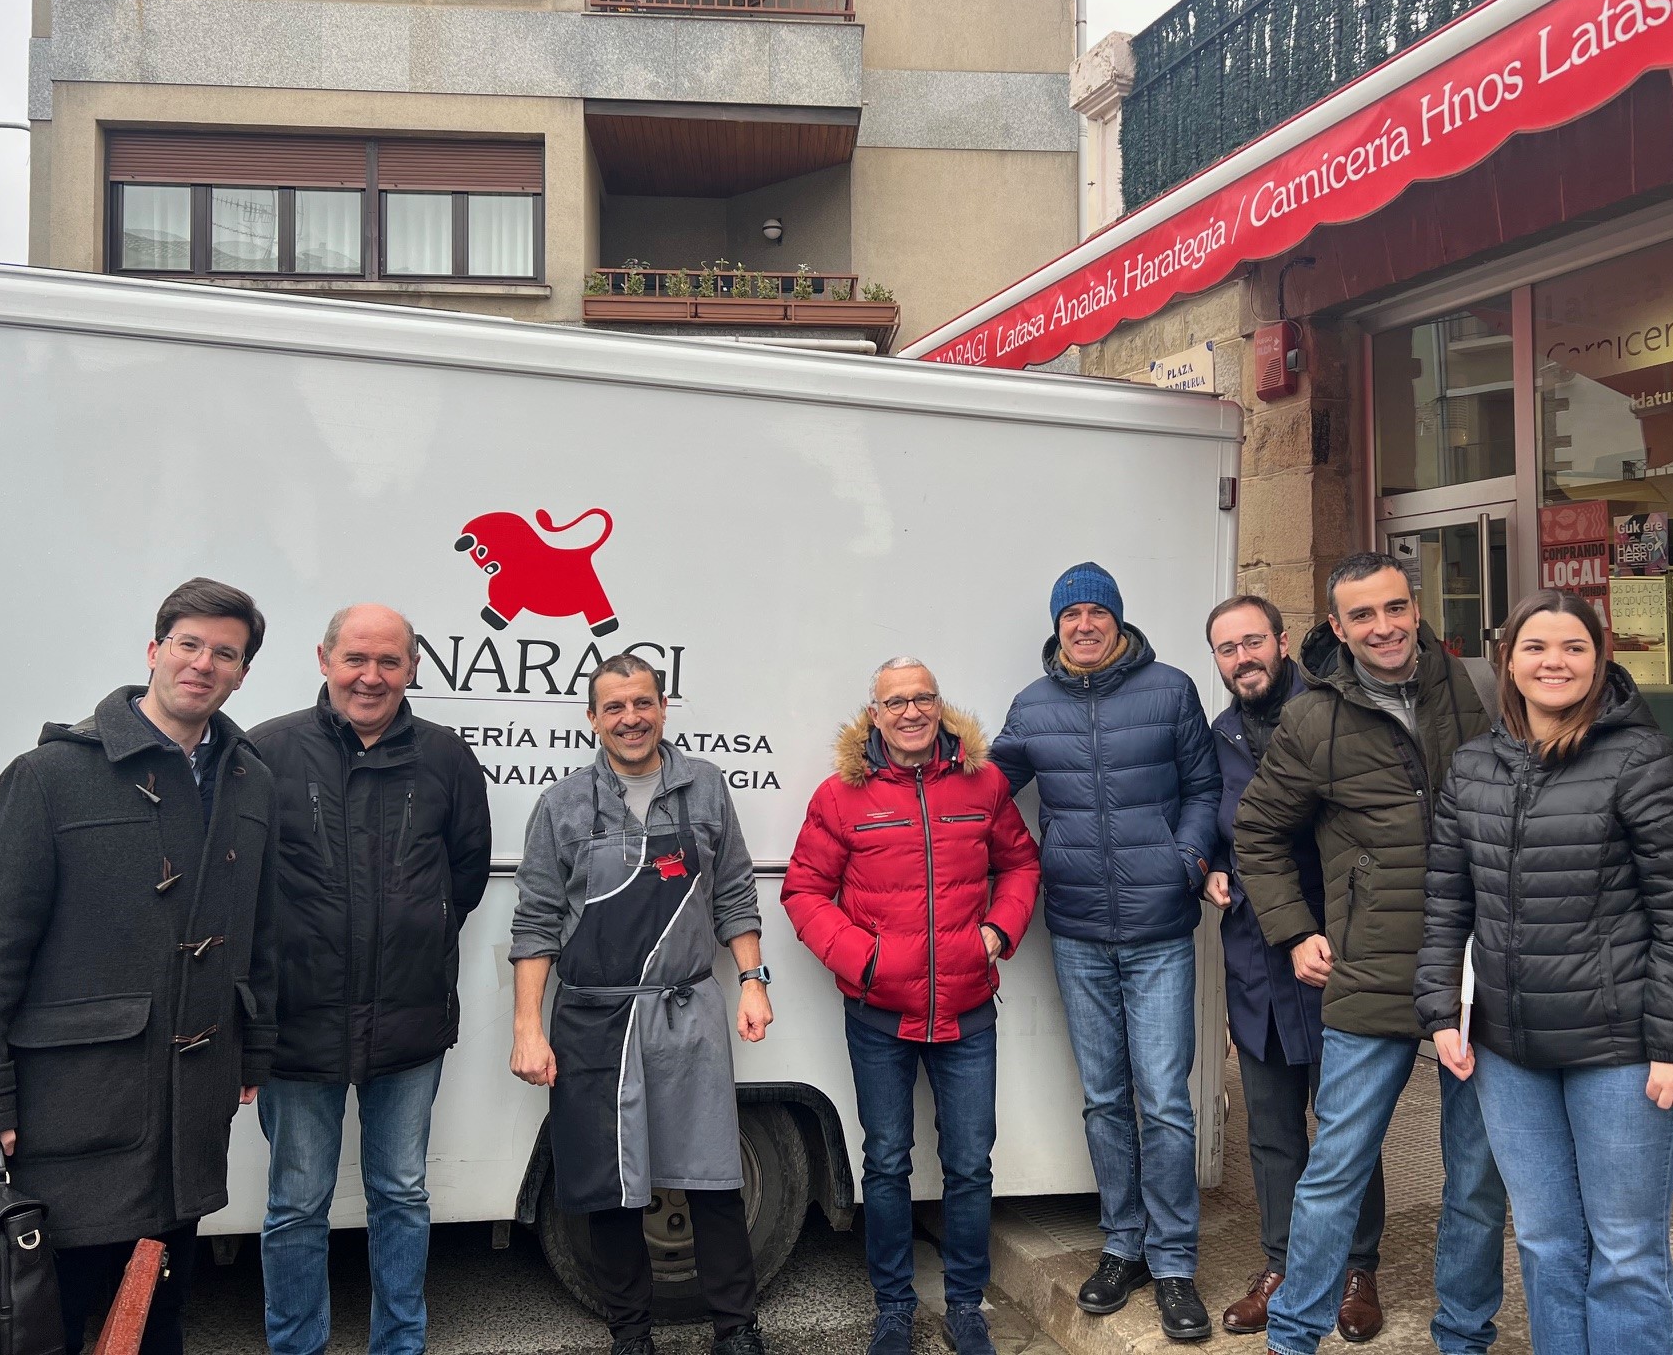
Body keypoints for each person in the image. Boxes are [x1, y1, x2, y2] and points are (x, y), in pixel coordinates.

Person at [0, 578, 279, 1355]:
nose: (203, 663)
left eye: (225, 653)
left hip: (190, 1106)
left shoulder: (251, 781)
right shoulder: (47, 776)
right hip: (74, 1106)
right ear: (154, 650)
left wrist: (253, 1049)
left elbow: (258, 932)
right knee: (47, 1323)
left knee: (155, 1315)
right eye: (189, 643)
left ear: (242, 674)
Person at [1416, 590, 1673, 1355]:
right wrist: (1442, 1012)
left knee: (1626, 1252)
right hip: (1509, 1052)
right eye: (1536, 647)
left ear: (1599, 660)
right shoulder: (1473, 767)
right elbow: (1447, 902)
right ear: (1508, 662)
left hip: (1622, 1052)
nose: (1554, 662)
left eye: (1574, 648)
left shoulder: (1640, 759)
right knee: (1546, 1242)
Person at [1234, 552, 1507, 1355]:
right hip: (1371, 965)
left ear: (1415, 608)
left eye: (1394, 608)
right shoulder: (1312, 720)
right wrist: (1294, 929)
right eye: (1362, 615)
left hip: (1477, 969)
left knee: (1478, 1178)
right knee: (1336, 1169)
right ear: (1336, 626)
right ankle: (1294, 1338)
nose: (1383, 627)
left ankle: (1464, 1336)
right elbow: (1257, 832)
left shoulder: (1482, 691)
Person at [509, 654, 773, 1355]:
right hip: (595, 1019)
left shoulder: (705, 788)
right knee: (610, 1183)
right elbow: (535, 921)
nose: (631, 718)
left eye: (642, 703)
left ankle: (736, 1328)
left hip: (686, 1009)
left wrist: (753, 980)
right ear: (593, 719)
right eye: (614, 707)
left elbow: (734, 893)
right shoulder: (563, 804)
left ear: (662, 707)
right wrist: (527, 1027)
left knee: (712, 1176)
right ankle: (631, 1335)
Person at [249, 604, 493, 1355]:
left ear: (412, 669)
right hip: (299, 1022)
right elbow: (243, 882)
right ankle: (297, 1347)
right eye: (356, 658)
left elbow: (466, 873)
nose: (371, 676)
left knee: (401, 1194)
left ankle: (400, 1344)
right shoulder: (266, 751)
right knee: (296, 1205)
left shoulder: (446, 756)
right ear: (324, 660)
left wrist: (414, 935)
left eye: (390, 661)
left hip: (409, 1019)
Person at [991, 562, 1222, 1341]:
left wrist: (1185, 861)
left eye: (1097, 612)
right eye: (1071, 615)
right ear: (1057, 626)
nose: (1084, 625)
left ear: (1118, 620)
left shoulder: (1171, 690)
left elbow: (1205, 789)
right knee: (1103, 1098)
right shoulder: (1033, 705)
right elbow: (984, 791)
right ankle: (1124, 1245)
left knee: (1165, 1101)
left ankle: (1175, 1261)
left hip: (1161, 928)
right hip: (1079, 927)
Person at [783, 657, 1042, 1355]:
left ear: (939, 704)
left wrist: (998, 932)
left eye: (922, 698)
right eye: (895, 702)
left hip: (968, 1009)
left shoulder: (983, 784)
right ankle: (893, 1308)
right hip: (880, 1015)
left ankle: (966, 1307)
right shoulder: (841, 795)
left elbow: (1021, 864)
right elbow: (803, 891)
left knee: (970, 1164)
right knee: (886, 1162)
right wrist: (864, 960)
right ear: (875, 714)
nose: (910, 712)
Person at [1199, 596, 1386, 1342]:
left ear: (1282, 642)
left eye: (1253, 641)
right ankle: (1280, 1264)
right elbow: (1216, 817)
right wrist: (1210, 861)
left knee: (1347, 1124)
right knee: (1272, 1128)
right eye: (1227, 649)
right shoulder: (1218, 735)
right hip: (1256, 956)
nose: (1242, 658)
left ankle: (1356, 1268)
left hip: (1332, 949)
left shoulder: (1335, 715)